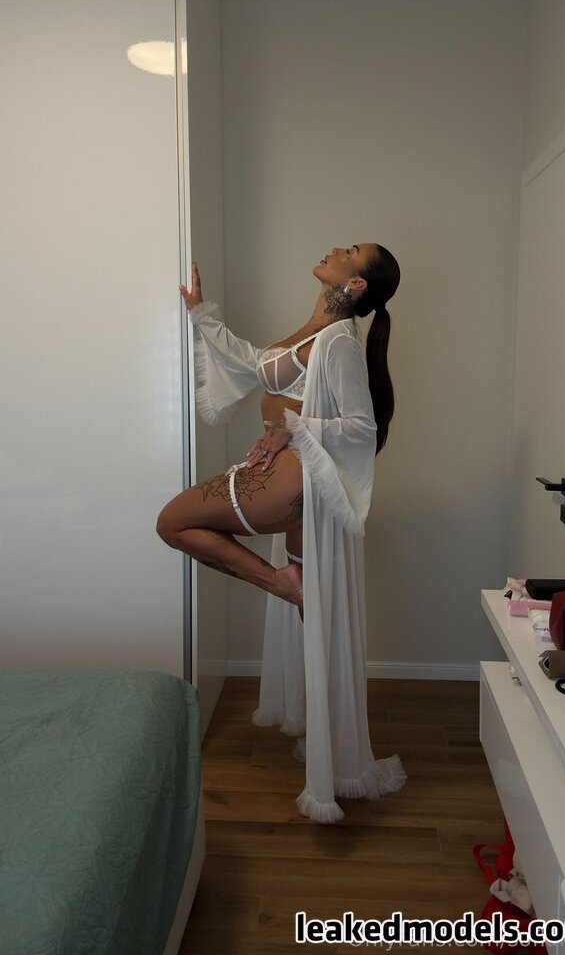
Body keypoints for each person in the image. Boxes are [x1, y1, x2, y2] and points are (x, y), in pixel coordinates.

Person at [157, 243, 406, 823]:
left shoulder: (340, 341)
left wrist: (288, 430)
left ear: (357, 284)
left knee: (173, 521)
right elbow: (253, 364)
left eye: (351, 252)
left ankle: (282, 584)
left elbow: (360, 426)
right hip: (290, 481)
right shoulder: (314, 330)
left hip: (292, 478)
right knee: (314, 622)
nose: (336, 248)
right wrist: (201, 314)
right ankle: (332, 755)